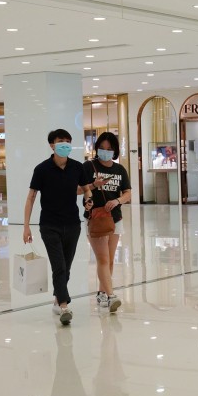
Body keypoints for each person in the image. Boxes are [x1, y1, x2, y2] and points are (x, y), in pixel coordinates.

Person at [23, 129, 102, 325]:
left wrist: (89, 200)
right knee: (59, 266)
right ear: (52, 145)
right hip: (49, 225)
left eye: (68, 141)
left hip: (72, 225)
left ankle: (57, 300)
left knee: (66, 268)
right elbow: (31, 197)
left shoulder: (77, 167)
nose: (65, 144)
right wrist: (26, 226)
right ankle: (65, 306)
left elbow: (85, 189)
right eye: (61, 141)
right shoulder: (41, 169)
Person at [83, 132, 132, 314]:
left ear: (115, 151)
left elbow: (127, 193)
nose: (105, 152)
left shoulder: (119, 170)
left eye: (109, 149)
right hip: (95, 218)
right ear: (97, 149)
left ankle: (102, 292)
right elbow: (79, 189)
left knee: (110, 260)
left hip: (115, 219)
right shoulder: (89, 166)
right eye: (102, 148)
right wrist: (93, 187)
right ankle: (110, 296)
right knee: (102, 259)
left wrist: (118, 201)